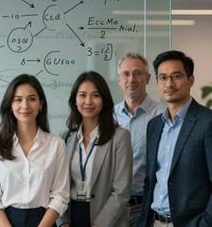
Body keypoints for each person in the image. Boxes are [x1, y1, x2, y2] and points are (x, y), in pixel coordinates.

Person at [0, 73, 69, 227]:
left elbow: (60, 195)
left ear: (41, 104)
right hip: (5, 221)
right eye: (18, 99)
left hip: (44, 221)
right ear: (10, 104)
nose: (25, 105)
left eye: (32, 99)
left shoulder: (57, 145)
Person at [137, 50, 212, 227]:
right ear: (156, 83)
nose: (169, 83)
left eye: (176, 76)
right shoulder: (154, 126)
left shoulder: (207, 122)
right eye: (162, 77)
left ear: (190, 80)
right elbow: (150, 182)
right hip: (154, 221)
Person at [57, 71, 133, 227]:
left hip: (106, 218)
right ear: (75, 100)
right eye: (83, 95)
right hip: (71, 215)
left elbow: (121, 191)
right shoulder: (65, 138)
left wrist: (100, 224)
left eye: (95, 95)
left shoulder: (120, 137)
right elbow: (56, 186)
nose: (88, 101)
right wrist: (62, 222)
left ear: (104, 100)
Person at [114, 53, 165, 227]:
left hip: (146, 206)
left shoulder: (163, 115)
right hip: (111, 207)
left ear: (148, 78)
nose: (132, 79)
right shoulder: (109, 117)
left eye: (138, 73)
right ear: (119, 79)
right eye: (126, 74)